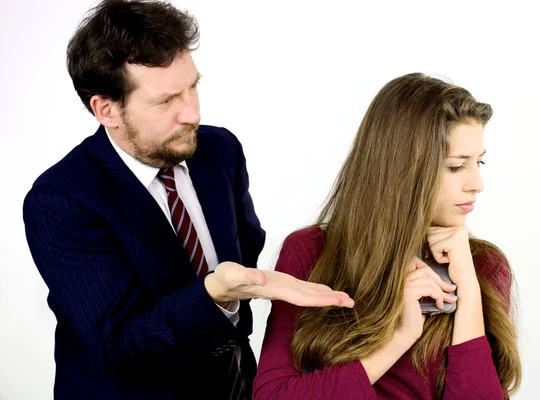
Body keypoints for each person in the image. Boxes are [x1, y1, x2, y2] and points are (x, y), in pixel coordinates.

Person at [22, 1, 353, 399]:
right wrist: (216, 293)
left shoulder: (219, 149)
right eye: (166, 101)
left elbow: (246, 244)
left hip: (234, 381)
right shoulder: (61, 201)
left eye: (193, 86)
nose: (192, 113)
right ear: (106, 109)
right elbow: (120, 344)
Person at [253, 73, 522, 399]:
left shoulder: (483, 265)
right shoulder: (310, 253)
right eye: (456, 166)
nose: (477, 183)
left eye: (479, 162)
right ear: (403, 169)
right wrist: (400, 336)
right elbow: (273, 396)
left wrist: (467, 289)